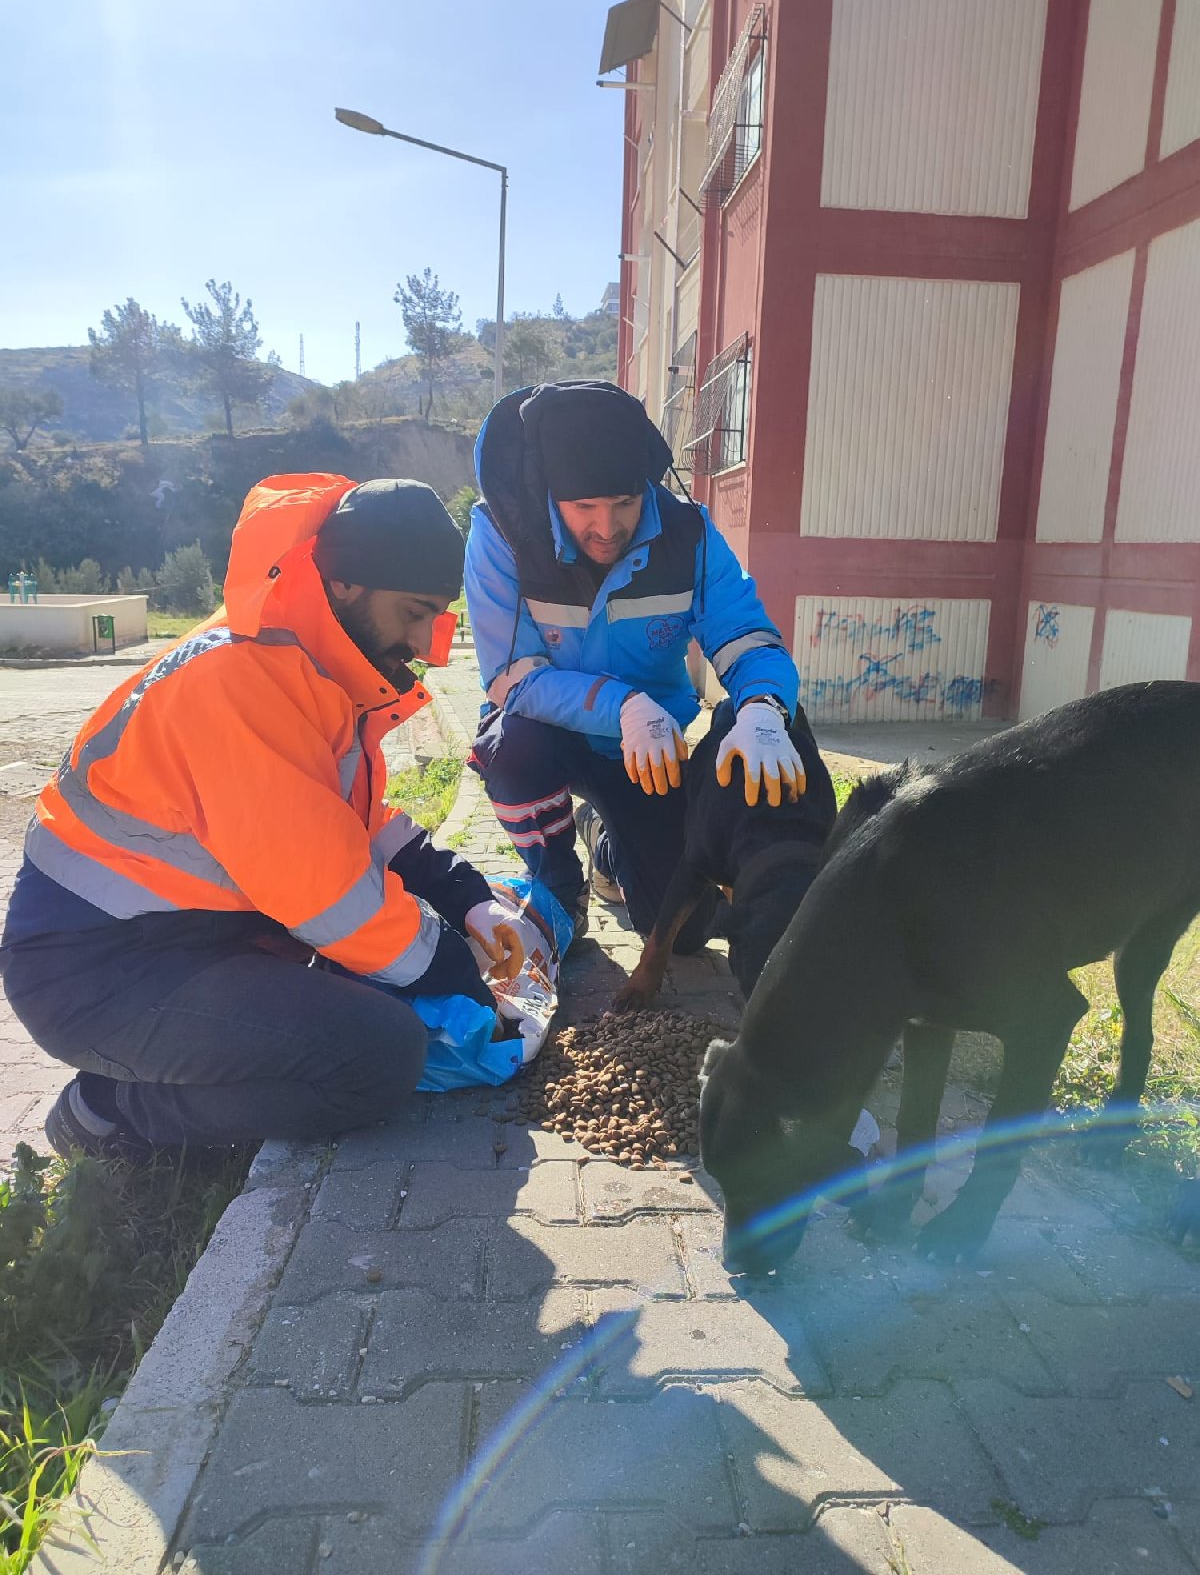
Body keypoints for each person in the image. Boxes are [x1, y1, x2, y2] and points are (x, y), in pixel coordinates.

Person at [0, 475, 524, 1160]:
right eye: (412, 612)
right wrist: (456, 972)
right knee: (379, 1055)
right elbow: (330, 895)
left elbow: (349, 823)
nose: (424, 642)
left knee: (369, 991)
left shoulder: (302, 662)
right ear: (346, 585)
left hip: (173, 943)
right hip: (99, 975)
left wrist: (467, 896)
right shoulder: (243, 682)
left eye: (437, 616)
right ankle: (110, 1111)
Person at [465, 380, 807, 949]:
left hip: (653, 750)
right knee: (512, 747)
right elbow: (510, 677)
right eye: (584, 508)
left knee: (684, 933)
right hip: (549, 733)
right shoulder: (503, 534)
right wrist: (623, 704)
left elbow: (747, 638)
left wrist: (764, 708)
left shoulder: (690, 535)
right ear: (550, 492)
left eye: (625, 503)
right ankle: (558, 887)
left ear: (646, 485)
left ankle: (603, 840)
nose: (607, 528)